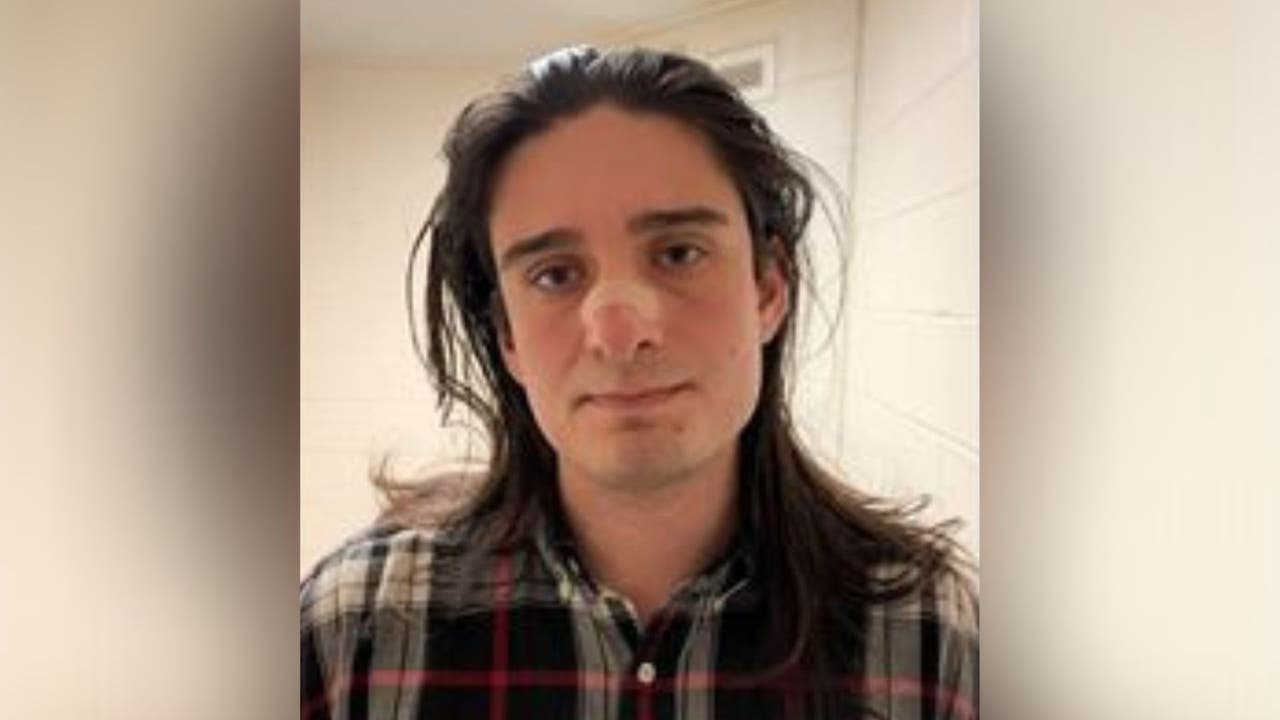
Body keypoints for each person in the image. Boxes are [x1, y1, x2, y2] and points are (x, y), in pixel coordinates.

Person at [301, 45, 977, 720]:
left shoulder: (927, 634)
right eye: (554, 275)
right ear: (508, 336)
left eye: (679, 254)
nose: (619, 332)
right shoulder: (354, 632)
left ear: (769, 289)